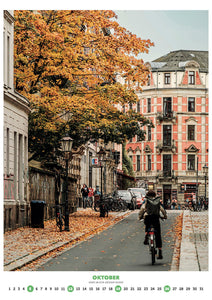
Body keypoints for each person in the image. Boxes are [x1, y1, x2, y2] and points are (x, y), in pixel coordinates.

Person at [138, 190, 167, 259]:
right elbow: (162, 209)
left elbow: (142, 209)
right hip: (156, 218)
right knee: (158, 234)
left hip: (148, 217)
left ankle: (146, 234)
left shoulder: (146, 200)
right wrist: (165, 216)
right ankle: (160, 252)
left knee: (147, 225)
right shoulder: (157, 201)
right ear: (154, 195)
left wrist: (140, 217)